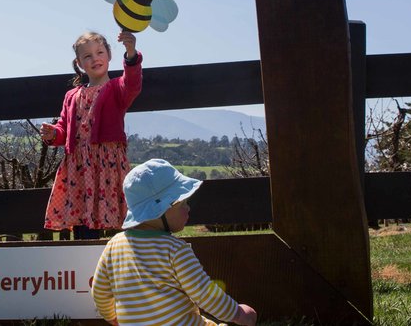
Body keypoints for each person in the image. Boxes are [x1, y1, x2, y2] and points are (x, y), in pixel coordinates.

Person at [92, 159, 258, 326]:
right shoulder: (174, 249)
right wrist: (237, 313)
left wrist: (112, 317)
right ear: (160, 210)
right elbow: (204, 293)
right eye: (183, 203)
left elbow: (100, 292)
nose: (188, 208)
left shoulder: (113, 246)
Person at [41, 30, 141, 239]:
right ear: (79, 63)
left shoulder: (116, 89)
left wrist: (131, 54)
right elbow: (64, 129)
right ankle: (84, 263)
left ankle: (120, 261)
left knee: (119, 221)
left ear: (109, 55)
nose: (95, 58)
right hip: (79, 169)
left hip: (108, 166)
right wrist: (53, 134)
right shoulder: (72, 96)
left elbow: (132, 84)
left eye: (99, 52)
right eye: (87, 56)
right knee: (83, 221)